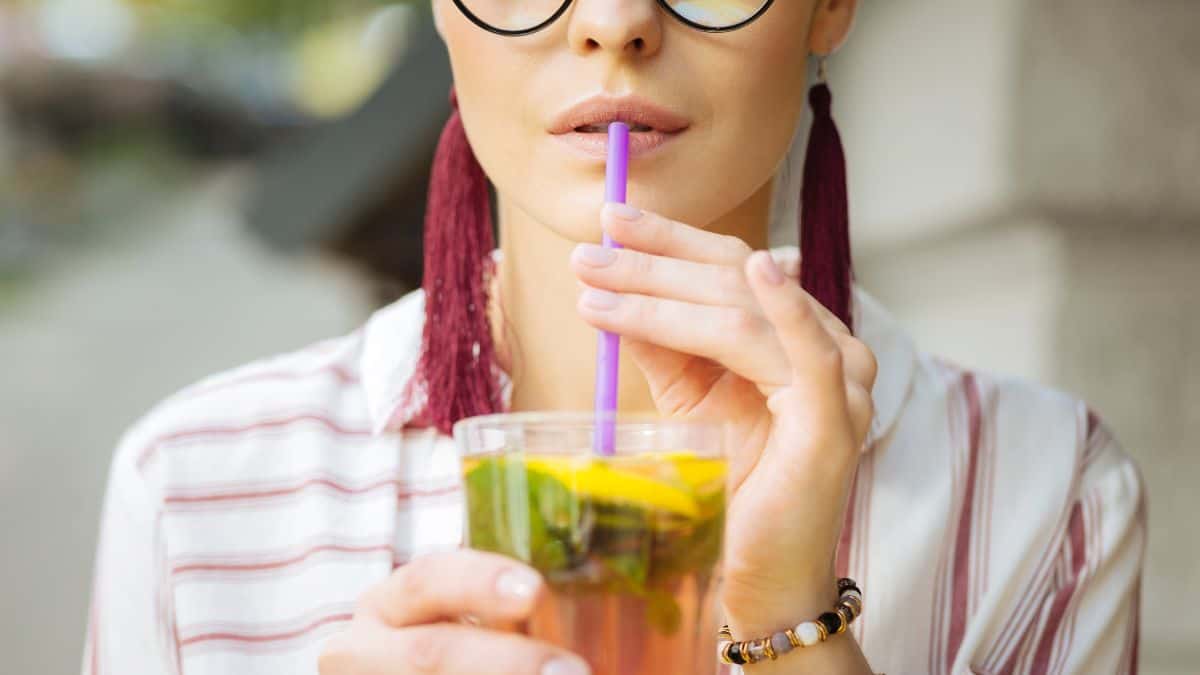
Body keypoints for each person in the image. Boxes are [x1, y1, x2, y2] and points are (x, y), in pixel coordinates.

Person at [84, 2, 1145, 674]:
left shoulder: (1047, 495)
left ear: (830, 5)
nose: (616, 21)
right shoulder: (191, 489)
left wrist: (791, 627)